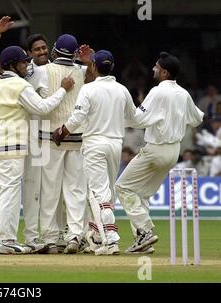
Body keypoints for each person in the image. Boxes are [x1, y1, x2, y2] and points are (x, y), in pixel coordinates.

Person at [114, 52, 204, 254]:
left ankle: (145, 231)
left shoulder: (157, 91)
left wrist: (120, 117)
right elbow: (197, 119)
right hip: (173, 152)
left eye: (156, 67)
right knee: (142, 194)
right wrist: (174, 119)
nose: (153, 69)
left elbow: (139, 119)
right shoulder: (183, 93)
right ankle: (142, 242)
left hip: (155, 150)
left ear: (164, 72)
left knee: (123, 187)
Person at [0, 45, 74, 254]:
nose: (27, 65)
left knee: (4, 193)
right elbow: (43, 107)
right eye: (23, 62)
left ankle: (8, 239)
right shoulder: (20, 85)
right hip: (12, 145)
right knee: (10, 194)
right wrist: (63, 89)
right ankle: (7, 241)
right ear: (13, 65)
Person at [52, 50, 137, 255]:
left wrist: (62, 131)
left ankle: (110, 239)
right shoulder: (122, 90)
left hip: (94, 144)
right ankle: (97, 237)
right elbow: (133, 117)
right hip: (115, 143)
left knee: (99, 192)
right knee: (107, 192)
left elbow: (78, 116)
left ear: (93, 67)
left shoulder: (88, 89)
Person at [0, 16, 50, 252]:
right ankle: (8, 241)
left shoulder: (2, 80)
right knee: (10, 193)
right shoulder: (20, 76)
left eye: (44, 48)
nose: (39, 53)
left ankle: (27, 239)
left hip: (18, 140)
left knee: (18, 193)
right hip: (16, 141)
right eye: (35, 51)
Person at [26, 34, 93, 254]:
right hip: (76, 137)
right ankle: (75, 235)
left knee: (50, 191)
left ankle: (51, 238)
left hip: (49, 138)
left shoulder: (41, 71)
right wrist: (88, 61)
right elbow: (95, 77)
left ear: (55, 51)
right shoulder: (82, 71)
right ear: (73, 53)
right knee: (75, 190)